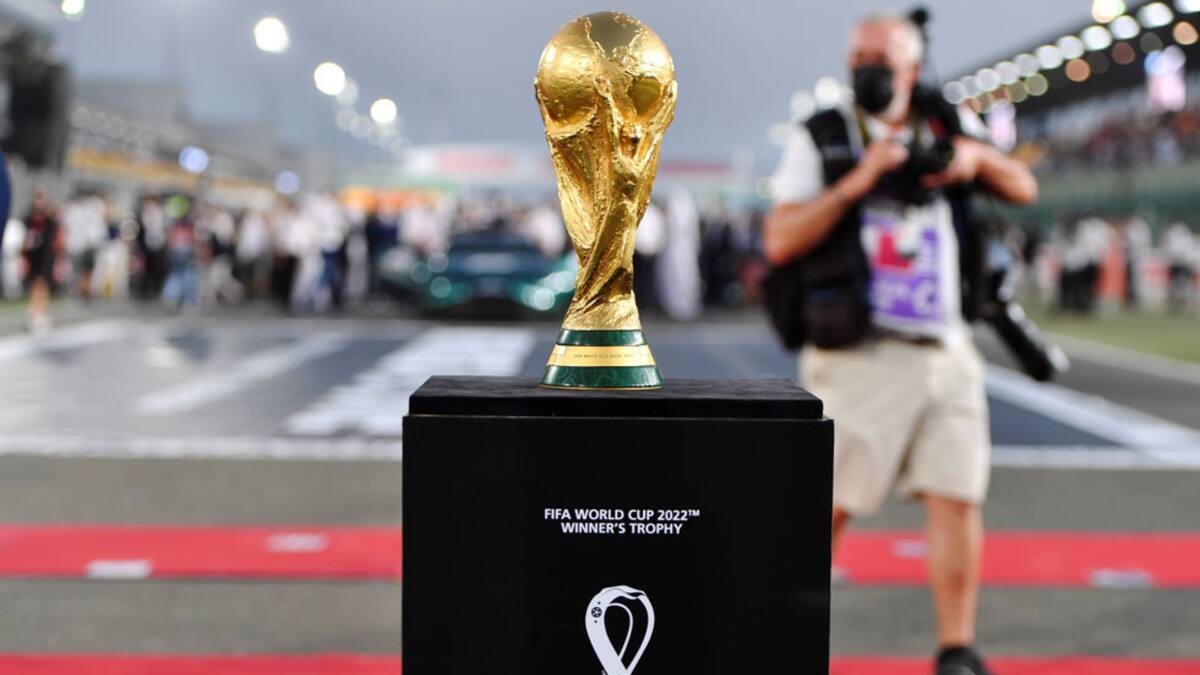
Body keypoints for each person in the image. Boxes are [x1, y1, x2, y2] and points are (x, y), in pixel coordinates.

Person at [763, 12, 1037, 675]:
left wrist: (975, 160)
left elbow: (1024, 188)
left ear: (912, 67)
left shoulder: (945, 122)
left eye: (880, 58)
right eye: (858, 56)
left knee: (957, 496)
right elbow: (780, 239)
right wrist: (858, 180)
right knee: (827, 505)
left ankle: (956, 650)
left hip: (945, 346)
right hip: (859, 349)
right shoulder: (825, 134)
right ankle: (782, 646)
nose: (867, 68)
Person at [21, 188, 59, 333]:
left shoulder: (49, 220)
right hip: (32, 257)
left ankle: (39, 312)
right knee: (34, 284)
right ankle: (35, 311)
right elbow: (24, 240)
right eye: (37, 198)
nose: (39, 202)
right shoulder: (28, 219)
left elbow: (54, 239)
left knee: (42, 283)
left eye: (41, 198)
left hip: (46, 256)